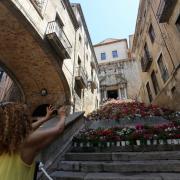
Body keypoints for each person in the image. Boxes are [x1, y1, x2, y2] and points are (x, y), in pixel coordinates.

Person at [0, 102, 67, 180]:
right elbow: (58, 129)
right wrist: (63, 116)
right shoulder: (27, 141)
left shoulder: (4, 138)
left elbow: (25, 130)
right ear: (22, 119)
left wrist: (45, 119)